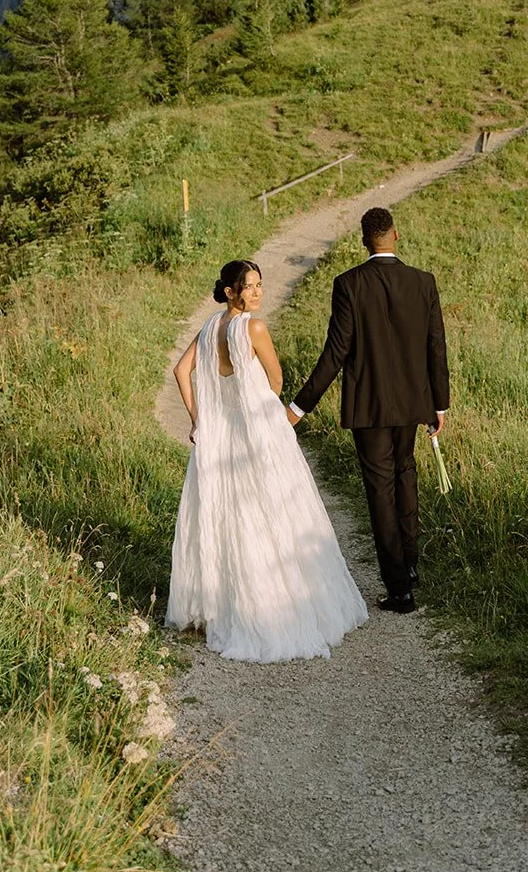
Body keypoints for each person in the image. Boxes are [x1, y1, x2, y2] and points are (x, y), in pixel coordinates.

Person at [166, 259, 367, 661]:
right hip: (258, 428)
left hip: (220, 434)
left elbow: (180, 370)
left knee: (229, 516)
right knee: (277, 511)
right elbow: (275, 381)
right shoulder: (253, 328)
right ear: (230, 292)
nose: (258, 293)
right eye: (250, 287)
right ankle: (278, 607)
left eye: (260, 285)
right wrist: (260, 406)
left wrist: (198, 418)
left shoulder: (209, 328)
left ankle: (226, 605)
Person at [287, 208, 449, 614]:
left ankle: (399, 589)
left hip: (369, 407)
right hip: (414, 404)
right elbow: (436, 347)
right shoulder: (423, 282)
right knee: (405, 474)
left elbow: (336, 352)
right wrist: (439, 404)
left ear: (364, 240)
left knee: (380, 490)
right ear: (396, 234)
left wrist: (298, 406)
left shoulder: (349, 284)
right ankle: (408, 565)